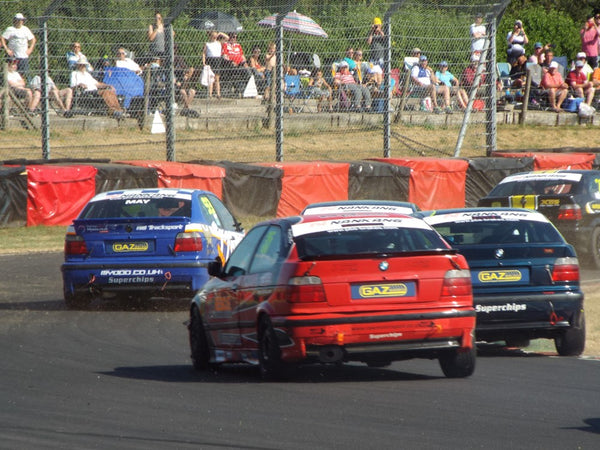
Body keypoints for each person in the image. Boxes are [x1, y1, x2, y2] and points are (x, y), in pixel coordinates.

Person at [1, 13, 36, 78]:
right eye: (18, 20)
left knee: (25, 73)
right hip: (13, 56)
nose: (20, 21)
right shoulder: (10, 29)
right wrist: (7, 49)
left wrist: (30, 49)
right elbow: (3, 38)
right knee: (12, 73)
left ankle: (25, 86)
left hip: (24, 56)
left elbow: (33, 39)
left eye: (21, 20)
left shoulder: (25, 29)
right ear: (15, 20)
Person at [202, 31, 228, 99]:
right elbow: (204, 53)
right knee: (210, 78)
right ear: (210, 36)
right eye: (213, 36)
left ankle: (218, 94)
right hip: (210, 60)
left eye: (215, 36)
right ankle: (210, 94)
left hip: (217, 60)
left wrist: (220, 33)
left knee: (217, 78)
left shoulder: (219, 43)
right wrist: (204, 61)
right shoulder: (207, 44)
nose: (214, 37)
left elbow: (227, 38)